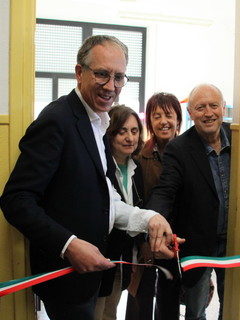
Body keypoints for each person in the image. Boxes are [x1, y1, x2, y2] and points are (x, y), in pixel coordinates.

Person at [0, 35, 179, 320]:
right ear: (79, 73)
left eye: (119, 77)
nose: (111, 86)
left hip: (94, 278)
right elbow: (16, 200)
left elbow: (106, 199)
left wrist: (149, 219)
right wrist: (69, 245)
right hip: (66, 281)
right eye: (102, 74)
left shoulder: (98, 122)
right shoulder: (57, 120)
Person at [145, 84, 232, 320]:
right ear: (190, 114)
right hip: (199, 243)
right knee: (195, 310)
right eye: (200, 108)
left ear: (223, 108)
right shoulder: (179, 148)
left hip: (235, 242)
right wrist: (154, 217)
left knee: (233, 305)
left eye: (214, 105)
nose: (208, 113)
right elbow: (165, 190)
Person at [125, 92, 182, 320]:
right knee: (139, 296)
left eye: (168, 115)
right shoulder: (139, 155)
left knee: (170, 296)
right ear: (149, 121)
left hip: (176, 239)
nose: (163, 121)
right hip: (145, 238)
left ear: (178, 118)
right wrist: (142, 240)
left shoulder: (188, 152)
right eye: (156, 116)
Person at [94, 105, 145, 320]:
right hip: (99, 257)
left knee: (110, 313)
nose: (129, 138)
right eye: (122, 131)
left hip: (122, 260)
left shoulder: (137, 168)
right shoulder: (101, 167)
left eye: (134, 131)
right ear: (110, 133)